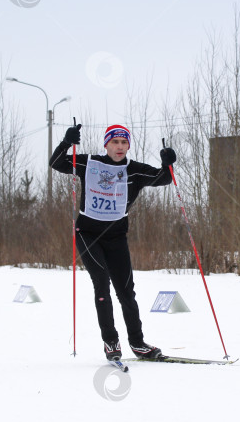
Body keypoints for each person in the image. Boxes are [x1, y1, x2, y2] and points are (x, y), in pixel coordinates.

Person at [49, 123, 176, 361]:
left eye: (124, 142)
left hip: (117, 237)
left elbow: (164, 179)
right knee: (101, 283)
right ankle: (111, 341)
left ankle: (137, 343)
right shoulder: (90, 163)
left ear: (128, 145)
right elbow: (56, 163)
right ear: (106, 144)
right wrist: (67, 142)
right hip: (88, 234)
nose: (119, 147)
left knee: (126, 291)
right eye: (114, 142)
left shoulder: (134, 170)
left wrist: (168, 163)